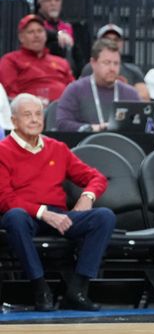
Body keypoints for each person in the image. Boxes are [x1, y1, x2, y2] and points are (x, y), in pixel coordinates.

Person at [0, 94, 116, 311]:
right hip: (26, 215)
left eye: (38, 114)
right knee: (13, 217)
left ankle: (78, 290)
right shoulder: (3, 151)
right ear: (14, 121)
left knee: (104, 216)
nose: (34, 119)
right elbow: (5, 199)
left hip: (60, 216)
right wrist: (43, 213)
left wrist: (87, 197)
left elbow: (96, 177)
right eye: (27, 115)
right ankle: (40, 288)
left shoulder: (57, 148)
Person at [55, 39, 140, 132]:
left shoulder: (131, 94)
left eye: (116, 63)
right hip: (86, 144)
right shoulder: (75, 90)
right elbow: (62, 123)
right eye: (107, 63)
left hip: (121, 145)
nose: (112, 68)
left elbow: (141, 127)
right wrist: (91, 128)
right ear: (93, 63)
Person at [0, 15, 74, 105]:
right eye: (31, 32)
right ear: (21, 37)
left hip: (64, 109)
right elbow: (10, 94)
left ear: (46, 36)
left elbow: (74, 90)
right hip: (30, 111)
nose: (36, 35)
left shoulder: (61, 62)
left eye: (40, 31)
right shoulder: (10, 60)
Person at [80, 24, 150, 101]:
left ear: (121, 43)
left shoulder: (133, 71)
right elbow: (82, 93)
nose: (111, 42)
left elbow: (144, 98)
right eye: (106, 39)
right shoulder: (90, 68)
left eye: (116, 39)